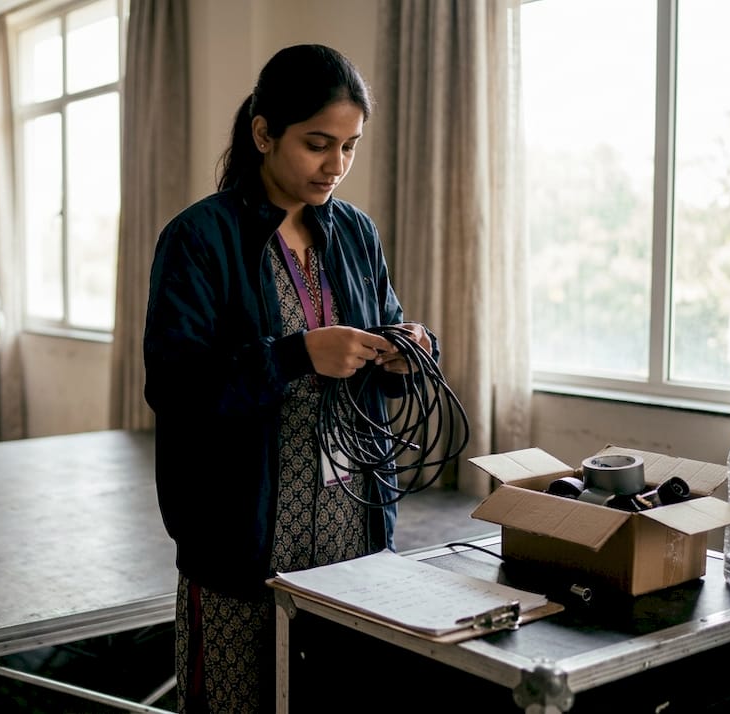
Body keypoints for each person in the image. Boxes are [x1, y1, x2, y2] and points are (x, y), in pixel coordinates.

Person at [143, 44, 439, 712]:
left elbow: (389, 323)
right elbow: (176, 386)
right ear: (263, 133)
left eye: (351, 147)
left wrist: (411, 348)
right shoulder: (200, 238)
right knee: (234, 699)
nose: (335, 165)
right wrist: (298, 354)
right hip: (241, 538)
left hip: (350, 531)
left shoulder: (356, 232)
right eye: (317, 144)